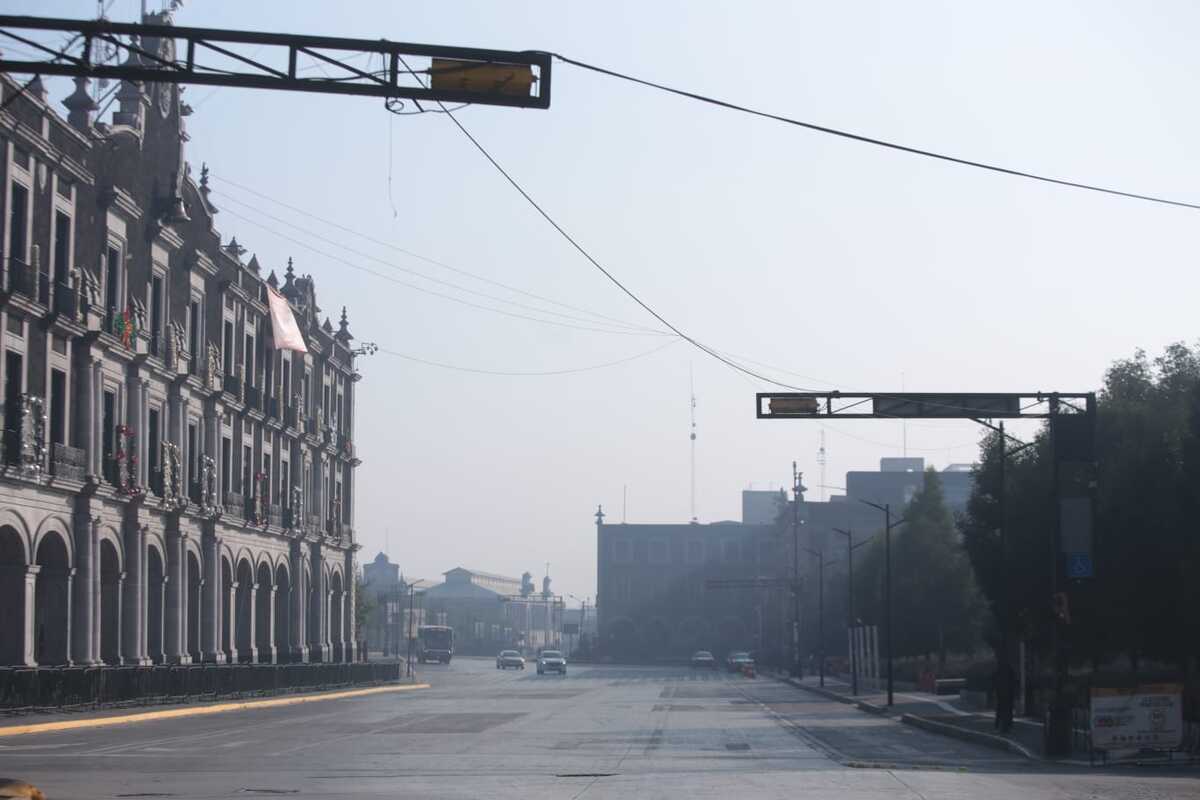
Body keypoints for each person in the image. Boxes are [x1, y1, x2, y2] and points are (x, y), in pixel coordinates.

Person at [994, 661, 1016, 732]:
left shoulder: (998, 671)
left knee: (1001, 710)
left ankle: (998, 725)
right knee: (1008, 710)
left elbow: (995, 682)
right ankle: (1007, 725)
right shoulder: (1010, 671)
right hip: (1008, 694)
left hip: (1001, 694)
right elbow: (1013, 682)